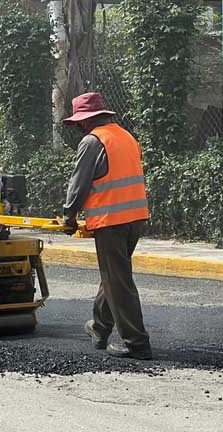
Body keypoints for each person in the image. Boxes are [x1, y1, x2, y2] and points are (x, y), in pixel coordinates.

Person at [61, 92, 152, 360]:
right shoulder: (125, 136)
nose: (79, 127)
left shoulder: (92, 141)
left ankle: (136, 343)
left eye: (79, 123)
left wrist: (69, 215)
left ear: (85, 121)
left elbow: (79, 182)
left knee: (118, 281)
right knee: (113, 276)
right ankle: (100, 328)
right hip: (135, 217)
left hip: (112, 220)